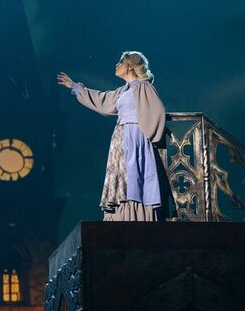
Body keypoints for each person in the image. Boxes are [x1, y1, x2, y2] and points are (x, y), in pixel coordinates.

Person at [57, 51, 171, 221]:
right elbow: (102, 100)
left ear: (131, 66)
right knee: (121, 177)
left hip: (134, 138)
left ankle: (137, 216)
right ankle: (121, 216)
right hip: (120, 137)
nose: (117, 65)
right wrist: (75, 87)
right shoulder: (122, 91)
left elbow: (157, 110)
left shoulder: (143, 87)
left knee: (134, 176)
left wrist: (144, 134)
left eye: (121, 62)